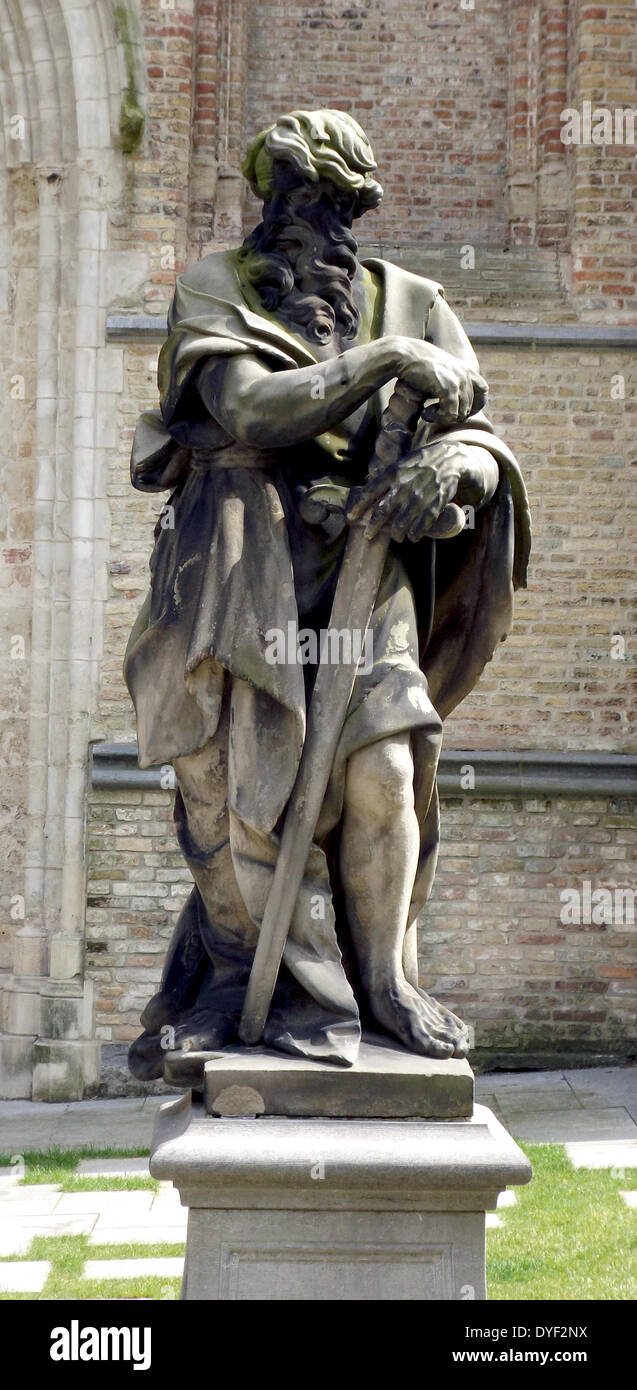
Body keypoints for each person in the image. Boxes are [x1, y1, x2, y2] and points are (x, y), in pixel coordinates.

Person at [125, 110, 530, 1078]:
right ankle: (244, 984)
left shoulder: (417, 299)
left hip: (364, 561)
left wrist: (458, 475)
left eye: (318, 196)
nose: (295, 216)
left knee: (383, 771)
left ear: (354, 204)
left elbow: (471, 422)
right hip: (232, 559)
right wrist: (384, 362)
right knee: (231, 784)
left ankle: (385, 983)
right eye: (281, 195)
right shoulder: (215, 287)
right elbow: (249, 409)